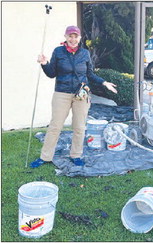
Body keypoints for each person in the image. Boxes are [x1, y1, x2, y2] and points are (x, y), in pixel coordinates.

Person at [30, 26, 117, 168]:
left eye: (75, 36)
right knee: (55, 126)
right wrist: (45, 63)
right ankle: (45, 157)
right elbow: (52, 73)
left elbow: (90, 74)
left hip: (81, 95)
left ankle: (76, 155)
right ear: (65, 36)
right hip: (61, 93)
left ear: (80, 38)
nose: (73, 39)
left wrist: (104, 82)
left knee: (79, 127)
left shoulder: (84, 53)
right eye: (70, 36)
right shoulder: (58, 52)